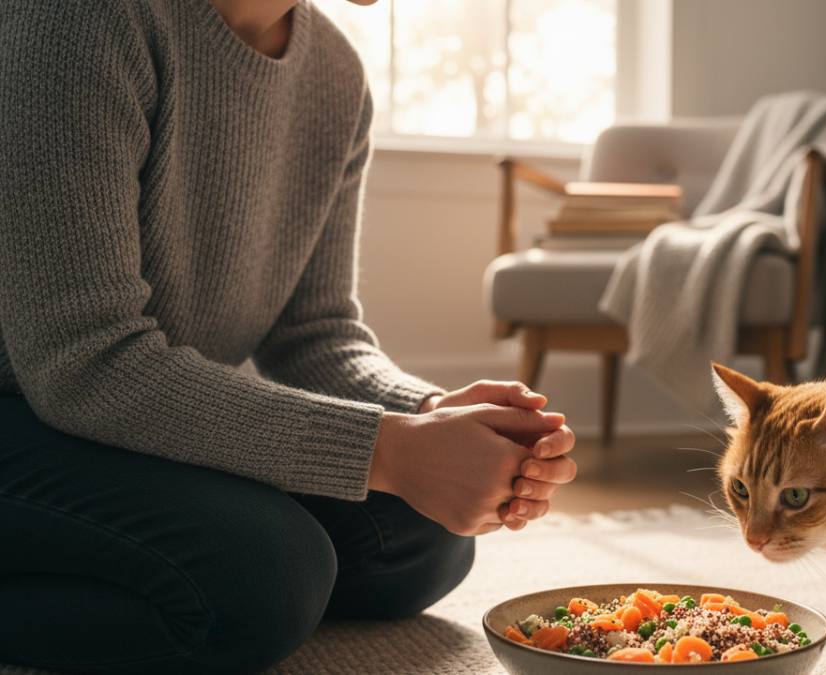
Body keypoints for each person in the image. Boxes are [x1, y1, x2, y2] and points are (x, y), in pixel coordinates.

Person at [0, 0, 577, 673]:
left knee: (423, 538)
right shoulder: (76, 21)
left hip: (115, 422)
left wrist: (428, 418)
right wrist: (386, 449)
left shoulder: (333, 73)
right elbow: (84, 362)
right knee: (268, 574)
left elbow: (314, 333)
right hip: (32, 406)